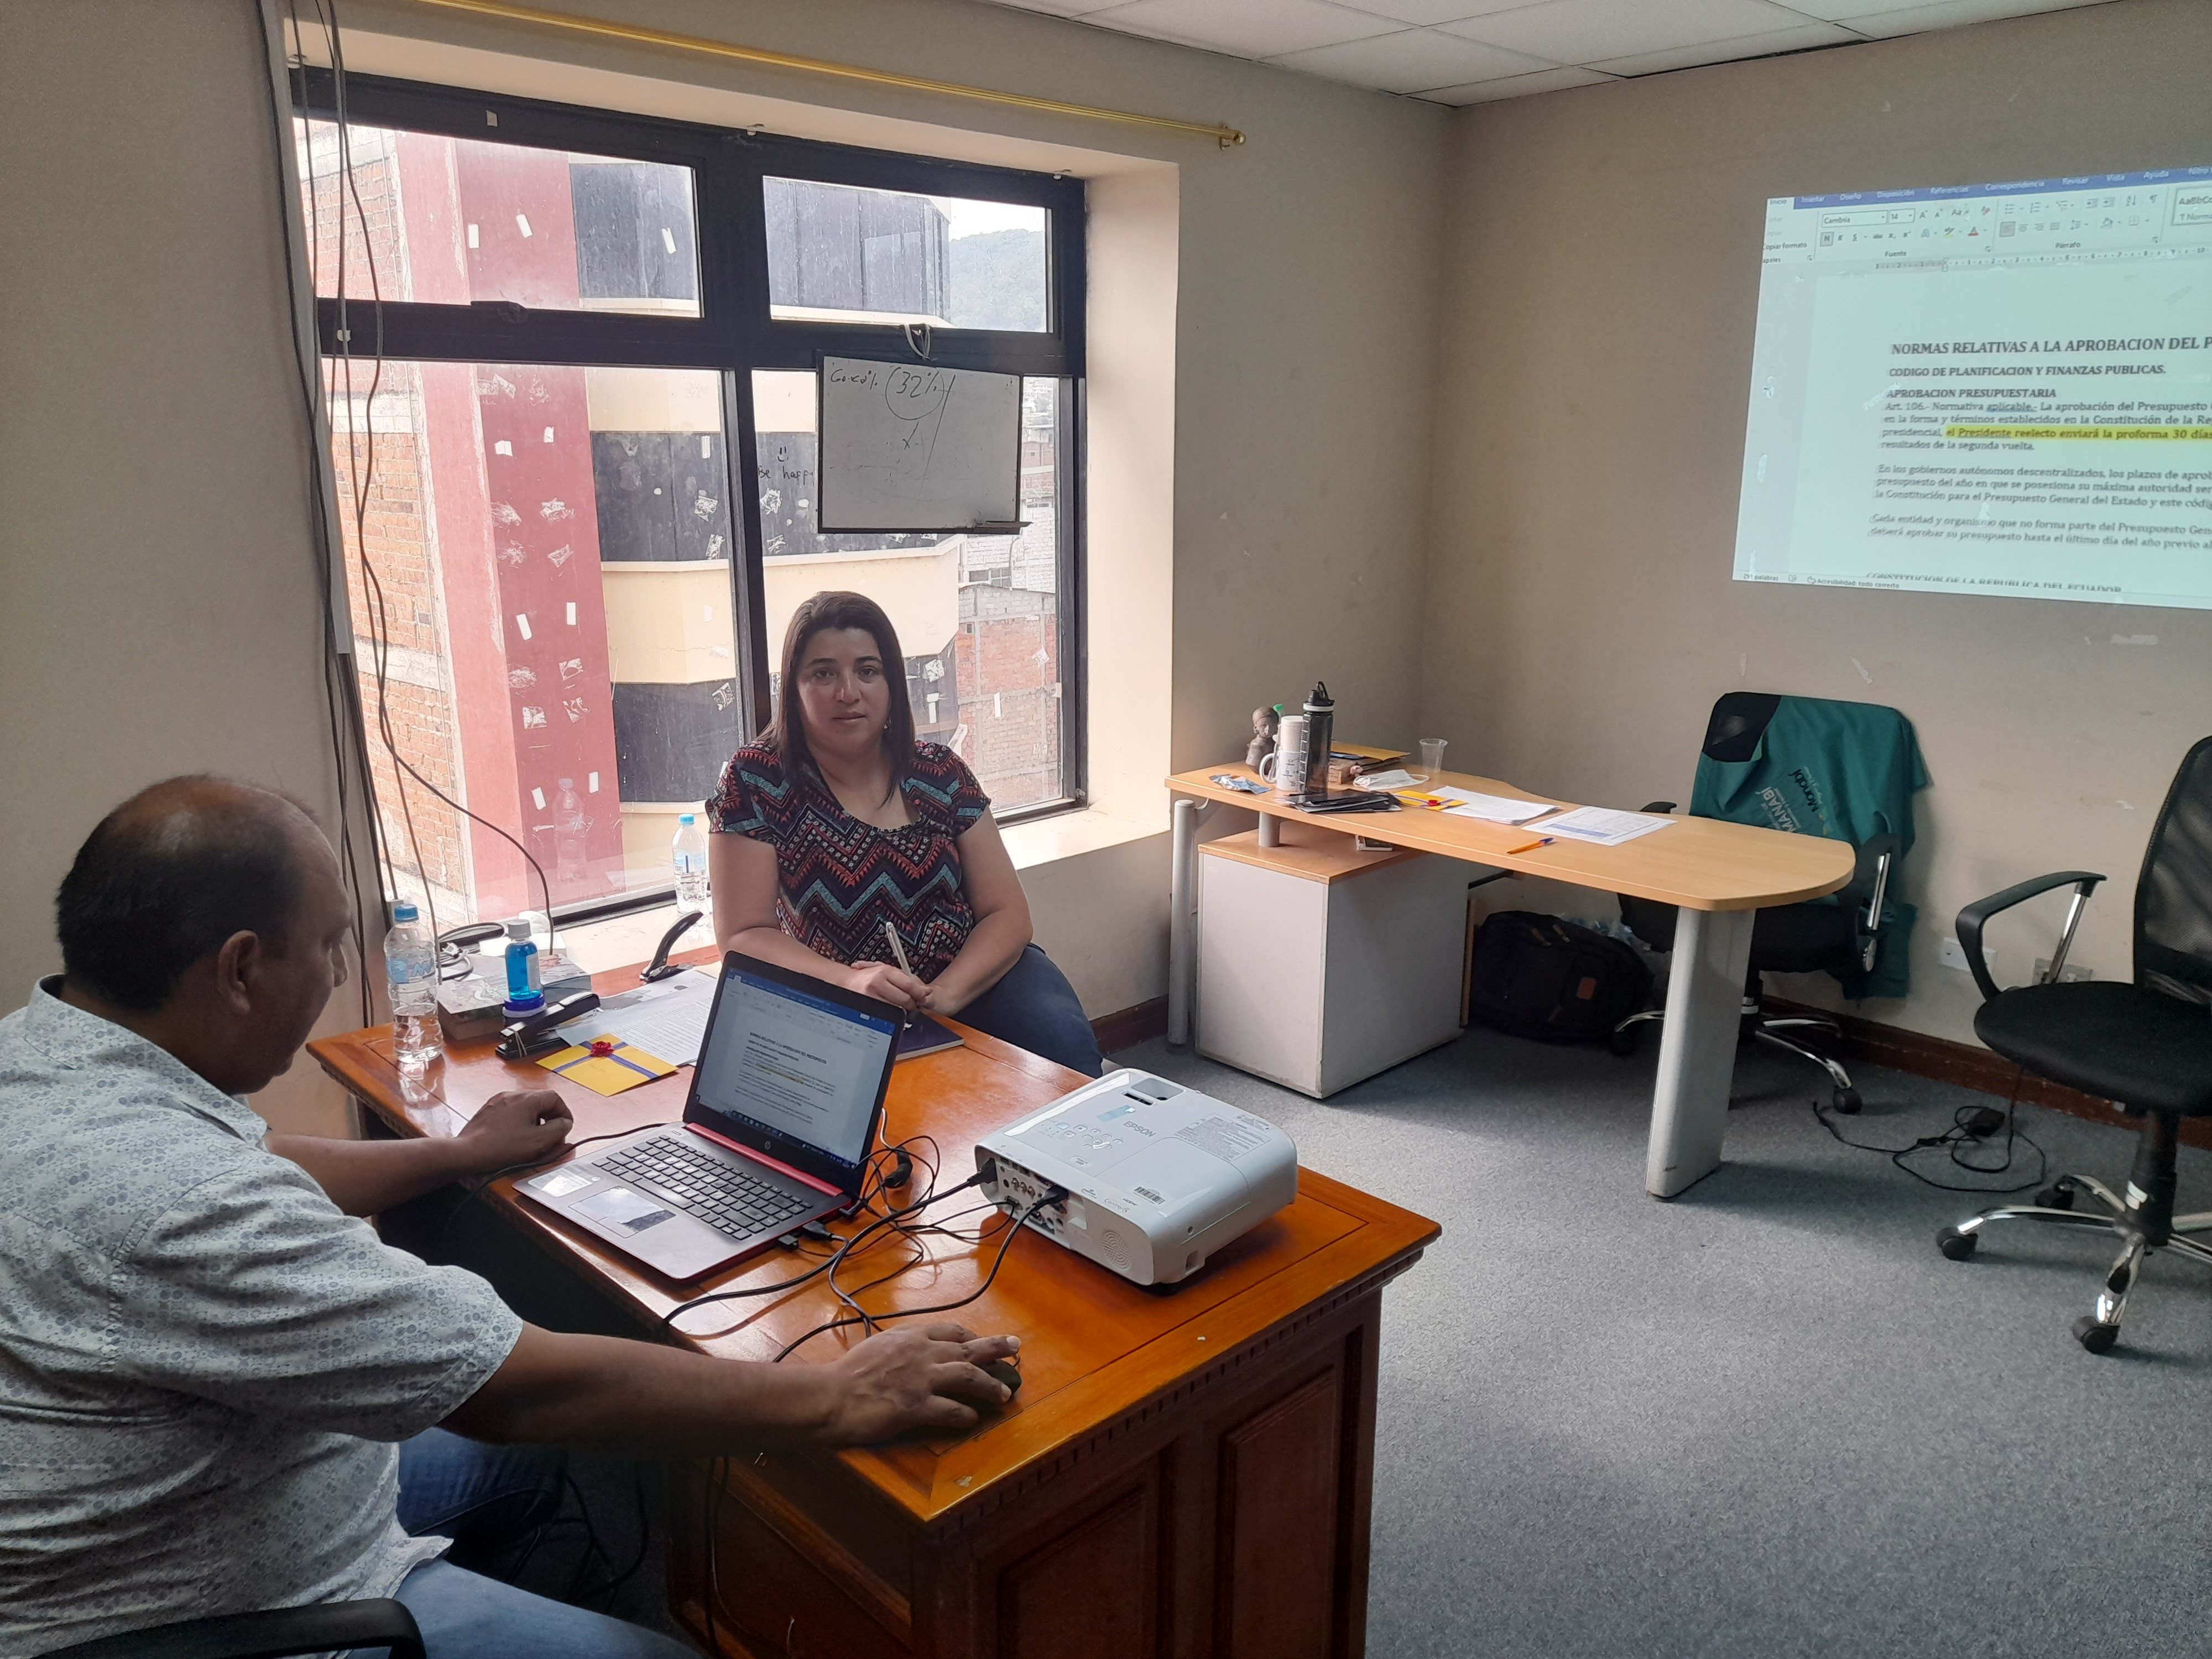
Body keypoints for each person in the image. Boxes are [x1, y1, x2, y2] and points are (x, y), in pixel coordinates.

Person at [0, 777, 1018, 1657]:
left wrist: (454, 1155)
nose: (336, 973)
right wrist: (837, 1398)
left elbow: (249, 1158)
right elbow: (515, 1388)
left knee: (543, 1470)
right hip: (218, 1604)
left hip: (236, 1480)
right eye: (328, 945)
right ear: (239, 969)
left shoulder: (43, 1059)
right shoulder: (178, 1205)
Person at [706, 590, 1105, 1078]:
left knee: (1068, 1064)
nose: (848, 692)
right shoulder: (757, 779)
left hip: (973, 978)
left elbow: (1008, 913)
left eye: (868, 671)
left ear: (892, 683)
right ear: (794, 687)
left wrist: (945, 995)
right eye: (823, 674)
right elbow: (744, 934)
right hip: (841, 995)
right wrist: (849, 983)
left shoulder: (939, 771)